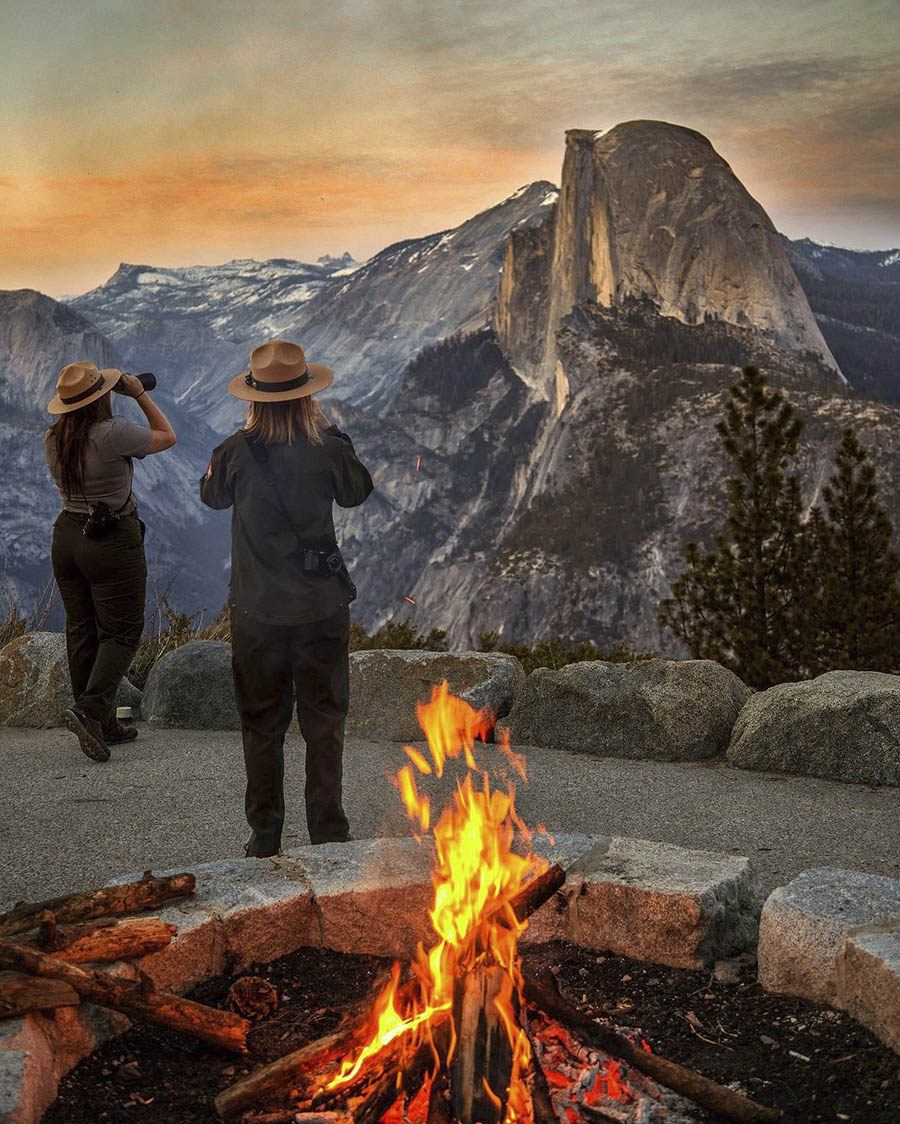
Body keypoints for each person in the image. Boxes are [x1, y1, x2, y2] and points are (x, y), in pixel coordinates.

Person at [200, 338, 373, 857]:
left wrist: (226, 457)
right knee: (323, 722)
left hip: (257, 612)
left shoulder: (233, 452)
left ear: (254, 398)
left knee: (261, 723)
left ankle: (265, 835)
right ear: (306, 396)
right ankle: (327, 831)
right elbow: (357, 491)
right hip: (321, 608)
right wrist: (334, 435)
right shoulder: (328, 446)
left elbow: (211, 497)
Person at [45, 361, 177, 762]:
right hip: (111, 539)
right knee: (120, 633)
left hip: (67, 535)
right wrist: (137, 393)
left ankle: (100, 723)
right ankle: (89, 710)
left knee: (82, 629)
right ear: (99, 397)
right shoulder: (113, 432)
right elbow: (166, 436)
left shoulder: (53, 438)